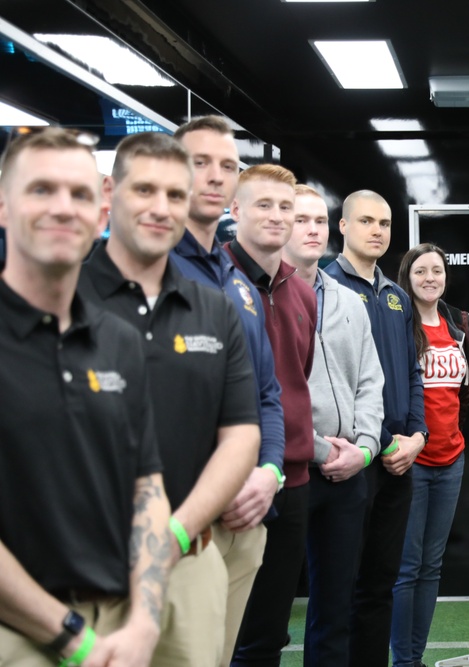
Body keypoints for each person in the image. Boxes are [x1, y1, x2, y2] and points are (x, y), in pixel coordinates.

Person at [77, 131, 261, 666]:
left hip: (190, 555)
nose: (161, 209)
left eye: (176, 195)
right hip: (81, 563)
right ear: (110, 192)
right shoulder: (59, 296)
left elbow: (241, 432)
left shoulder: (214, 308)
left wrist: (174, 536)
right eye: (144, 191)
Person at [0, 127, 170, 666]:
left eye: (78, 194)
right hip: (19, 636)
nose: (62, 208)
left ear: (100, 216)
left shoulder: (118, 340)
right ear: (3, 206)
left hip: (121, 629)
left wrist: (144, 620)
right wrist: (74, 638)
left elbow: (147, 486)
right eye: (40, 190)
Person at [169, 116, 285, 666]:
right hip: (181, 520)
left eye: (228, 166)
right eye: (200, 163)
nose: (216, 177)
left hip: (249, 514)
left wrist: (270, 471)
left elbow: (266, 393)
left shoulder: (237, 282)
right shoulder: (148, 267)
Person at [282, 184, 385, 666]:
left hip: (349, 477)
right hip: (290, 474)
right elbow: (272, 395)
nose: (311, 229)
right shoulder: (264, 297)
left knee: (336, 609)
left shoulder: (349, 301)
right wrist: (327, 452)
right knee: (268, 614)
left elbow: (370, 380)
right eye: (300, 219)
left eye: (318, 221)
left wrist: (363, 450)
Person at [325, 189, 428, 667]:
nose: (377, 231)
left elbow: (412, 372)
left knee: (379, 585)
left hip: (398, 461)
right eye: (366, 221)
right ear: (341, 226)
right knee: (337, 590)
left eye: (385, 223)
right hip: (346, 462)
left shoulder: (396, 297)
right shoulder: (322, 287)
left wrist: (417, 437)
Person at [226, 164, 317, 667]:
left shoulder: (302, 292)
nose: (277, 216)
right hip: (231, 484)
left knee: (267, 635)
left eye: (286, 207)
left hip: (293, 479)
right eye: (264, 204)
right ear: (235, 210)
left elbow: (291, 382)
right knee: (216, 636)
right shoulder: (213, 282)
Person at [389, 243, 469, 667]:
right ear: (408, 276)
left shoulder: (457, 326)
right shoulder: (400, 325)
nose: (429, 278)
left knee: (431, 567)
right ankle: (404, 661)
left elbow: (462, 394)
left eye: (437, 271)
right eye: (420, 271)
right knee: (407, 569)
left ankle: (415, 658)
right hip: (412, 463)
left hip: (451, 460)